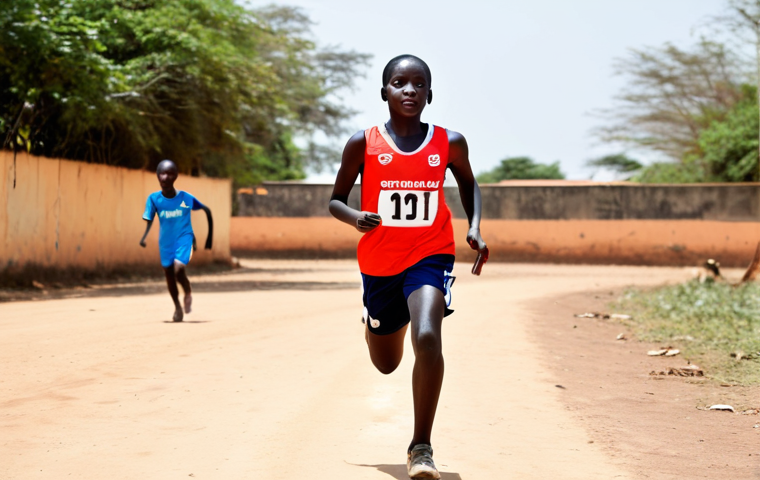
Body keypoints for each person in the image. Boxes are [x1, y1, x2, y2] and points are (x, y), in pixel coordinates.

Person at [329, 54, 487, 479]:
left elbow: (469, 184)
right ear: (384, 92)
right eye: (399, 83)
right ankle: (377, 321)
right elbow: (335, 199)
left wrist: (473, 228)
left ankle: (421, 447)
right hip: (379, 262)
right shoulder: (363, 143)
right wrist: (354, 217)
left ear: (430, 95)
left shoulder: (449, 142)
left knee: (428, 335)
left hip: (429, 254)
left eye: (419, 84)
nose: (409, 90)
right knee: (386, 364)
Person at [140, 160, 213, 322]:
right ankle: (177, 307)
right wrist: (144, 236)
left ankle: (187, 291)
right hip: (165, 242)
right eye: (163, 173)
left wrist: (209, 238)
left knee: (178, 268)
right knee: (169, 275)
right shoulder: (153, 199)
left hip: (184, 239)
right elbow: (149, 219)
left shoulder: (185, 198)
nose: (166, 177)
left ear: (176, 176)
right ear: (157, 176)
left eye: (170, 174)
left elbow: (206, 210)